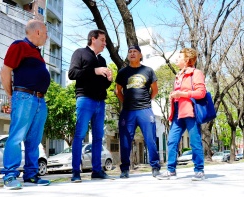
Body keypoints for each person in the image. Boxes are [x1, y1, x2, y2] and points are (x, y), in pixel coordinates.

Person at [0, 19, 51, 189]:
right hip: (24, 97)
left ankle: (31, 175)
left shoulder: (37, 53)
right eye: (45, 33)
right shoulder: (19, 45)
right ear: (37, 32)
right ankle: (10, 176)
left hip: (39, 100)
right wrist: (11, 95)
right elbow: (5, 70)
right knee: (16, 137)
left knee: (34, 140)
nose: (46, 37)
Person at [68, 29, 113, 183]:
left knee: (98, 137)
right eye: (103, 40)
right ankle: (75, 172)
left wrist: (109, 80)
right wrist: (94, 71)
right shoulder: (79, 53)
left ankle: (97, 171)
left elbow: (104, 85)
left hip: (100, 102)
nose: (105, 44)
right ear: (93, 39)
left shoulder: (102, 60)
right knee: (80, 135)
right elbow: (72, 74)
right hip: (85, 99)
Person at [156, 48, 206, 181]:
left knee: (195, 142)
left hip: (190, 112)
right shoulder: (178, 75)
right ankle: (170, 170)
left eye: (179, 57)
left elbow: (201, 92)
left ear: (187, 60)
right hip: (178, 112)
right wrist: (173, 96)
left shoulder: (196, 73)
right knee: (171, 141)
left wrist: (182, 94)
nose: (176, 59)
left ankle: (199, 170)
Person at [115, 45, 161, 178]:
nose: (132, 53)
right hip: (128, 111)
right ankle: (124, 169)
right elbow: (118, 91)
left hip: (145, 110)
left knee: (151, 139)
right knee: (125, 141)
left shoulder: (148, 71)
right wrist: (126, 102)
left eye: (135, 51)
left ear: (140, 55)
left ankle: (155, 167)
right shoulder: (123, 72)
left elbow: (155, 90)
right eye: (129, 51)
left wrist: (147, 101)